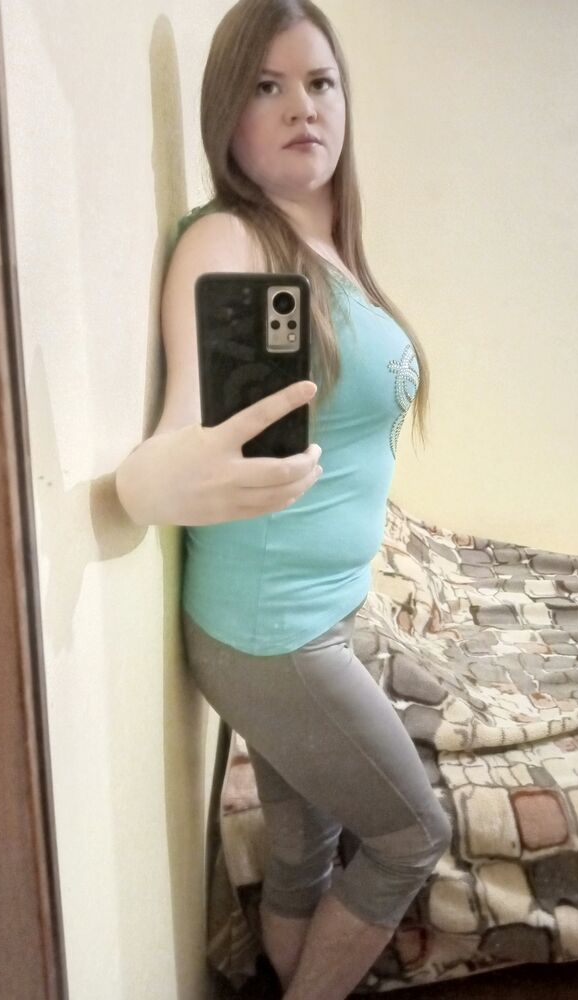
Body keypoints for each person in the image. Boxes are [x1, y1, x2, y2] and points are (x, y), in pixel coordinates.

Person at [115, 2, 451, 998]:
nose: (302, 106)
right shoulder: (229, 239)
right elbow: (167, 443)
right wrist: (150, 481)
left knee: (305, 848)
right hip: (274, 631)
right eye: (267, 86)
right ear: (227, 117)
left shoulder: (334, 249)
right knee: (413, 832)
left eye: (319, 82)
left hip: (309, 614)